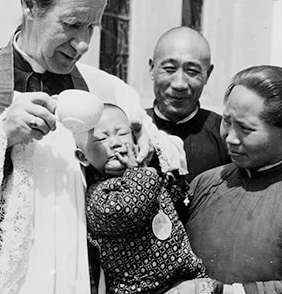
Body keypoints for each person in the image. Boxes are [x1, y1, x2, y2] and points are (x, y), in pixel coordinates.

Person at [0, 0, 183, 294]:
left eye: (92, 27)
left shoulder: (108, 91)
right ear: (29, 4)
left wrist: (148, 143)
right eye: (72, 24)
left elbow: (167, 152)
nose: (83, 43)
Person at [168, 65, 282, 294]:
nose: (230, 138)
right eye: (227, 121)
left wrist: (216, 291)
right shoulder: (206, 183)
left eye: (246, 129)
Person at [74, 103, 222, 294]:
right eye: (101, 138)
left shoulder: (145, 175)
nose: (116, 143)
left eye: (122, 133)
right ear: (83, 156)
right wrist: (139, 171)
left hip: (186, 279)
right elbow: (129, 209)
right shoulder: (99, 195)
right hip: (143, 289)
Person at [146, 26, 230, 184]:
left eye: (192, 71)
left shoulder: (225, 134)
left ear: (207, 74)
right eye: (169, 69)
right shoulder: (128, 128)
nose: (179, 84)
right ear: (152, 68)